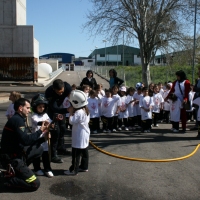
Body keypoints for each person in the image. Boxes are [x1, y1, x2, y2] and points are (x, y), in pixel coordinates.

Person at [0, 98, 50, 191]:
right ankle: (4, 180)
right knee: (35, 184)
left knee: (39, 149)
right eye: (27, 108)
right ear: (20, 108)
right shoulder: (17, 120)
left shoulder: (19, 118)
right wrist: (40, 131)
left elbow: (26, 141)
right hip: (12, 159)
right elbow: (26, 141)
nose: (29, 110)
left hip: (18, 153)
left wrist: (43, 139)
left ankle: (20, 170)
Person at [45, 79, 72, 163]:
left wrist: (73, 108)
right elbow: (54, 108)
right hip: (52, 111)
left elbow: (72, 99)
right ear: (54, 89)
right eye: (58, 92)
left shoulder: (67, 87)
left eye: (62, 92)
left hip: (61, 108)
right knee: (55, 132)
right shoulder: (49, 92)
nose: (61, 94)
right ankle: (53, 154)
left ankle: (61, 148)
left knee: (63, 129)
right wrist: (68, 110)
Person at [64, 90, 90, 175]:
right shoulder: (85, 109)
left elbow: (71, 121)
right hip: (85, 134)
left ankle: (74, 170)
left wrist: (71, 112)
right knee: (84, 151)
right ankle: (84, 166)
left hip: (79, 135)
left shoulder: (78, 112)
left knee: (76, 153)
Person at [31, 94, 54, 178]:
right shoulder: (34, 116)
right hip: (37, 138)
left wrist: (52, 125)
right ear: (35, 107)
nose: (42, 108)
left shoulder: (45, 115)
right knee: (36, 155)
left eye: (43, 106)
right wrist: (46, 123)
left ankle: (47, 169)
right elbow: (38, 122)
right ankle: (37, 169)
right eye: (39, 107)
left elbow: (50, 121)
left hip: (45, 138)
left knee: (46, 155)